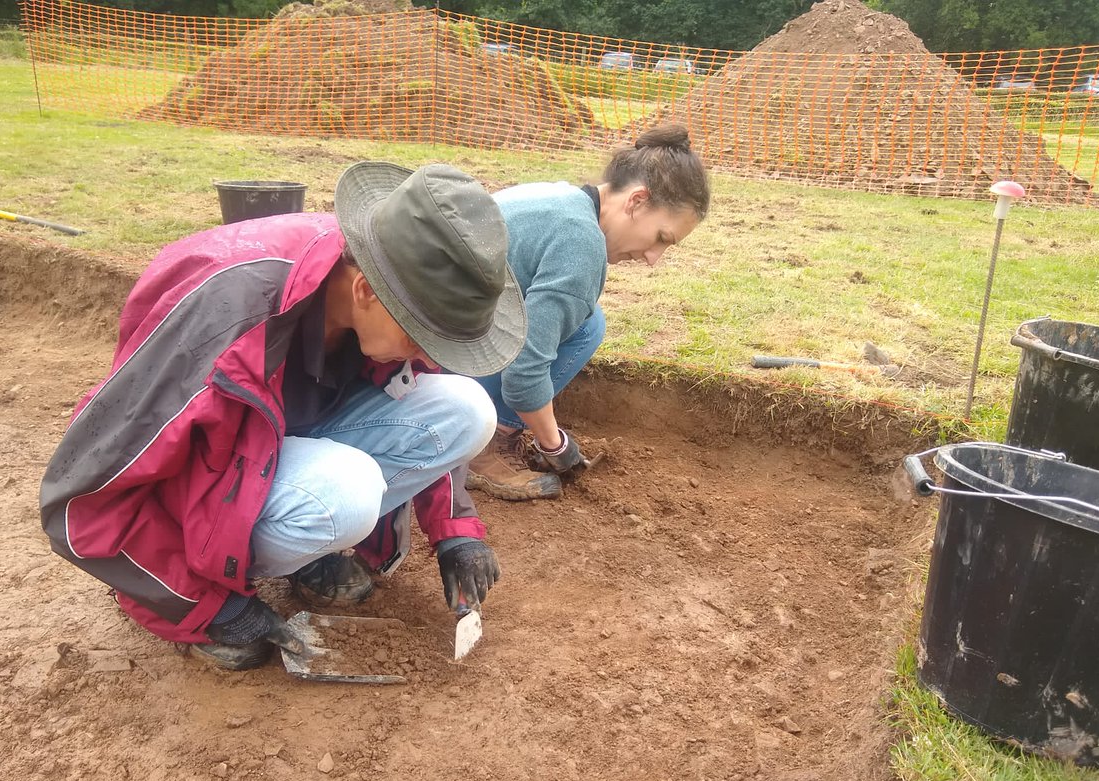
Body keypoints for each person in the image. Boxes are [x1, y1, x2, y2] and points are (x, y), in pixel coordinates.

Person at [40, 162, 526, 670]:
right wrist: (210, 609)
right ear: (365, 290)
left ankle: (305, 550)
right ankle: (189, 588)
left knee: (467, 408)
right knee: (348, 492)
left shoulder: (389, 280)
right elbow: (79, 501)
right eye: (423, 338)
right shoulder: (221, 320)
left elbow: (425, 398)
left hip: (266, 454)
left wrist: (455, 531)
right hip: (190, 498)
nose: (428, 356)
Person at [467, 124, 710, 500]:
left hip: (437, 331)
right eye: (661, 238)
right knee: (587, 327)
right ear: (636, 201)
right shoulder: (581, 242)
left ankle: (484, 428)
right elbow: (524, 372)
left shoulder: (564, 198)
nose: (653, 258)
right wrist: (556, 445)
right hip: (428, 362)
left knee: (588, 322)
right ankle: (481, 446)